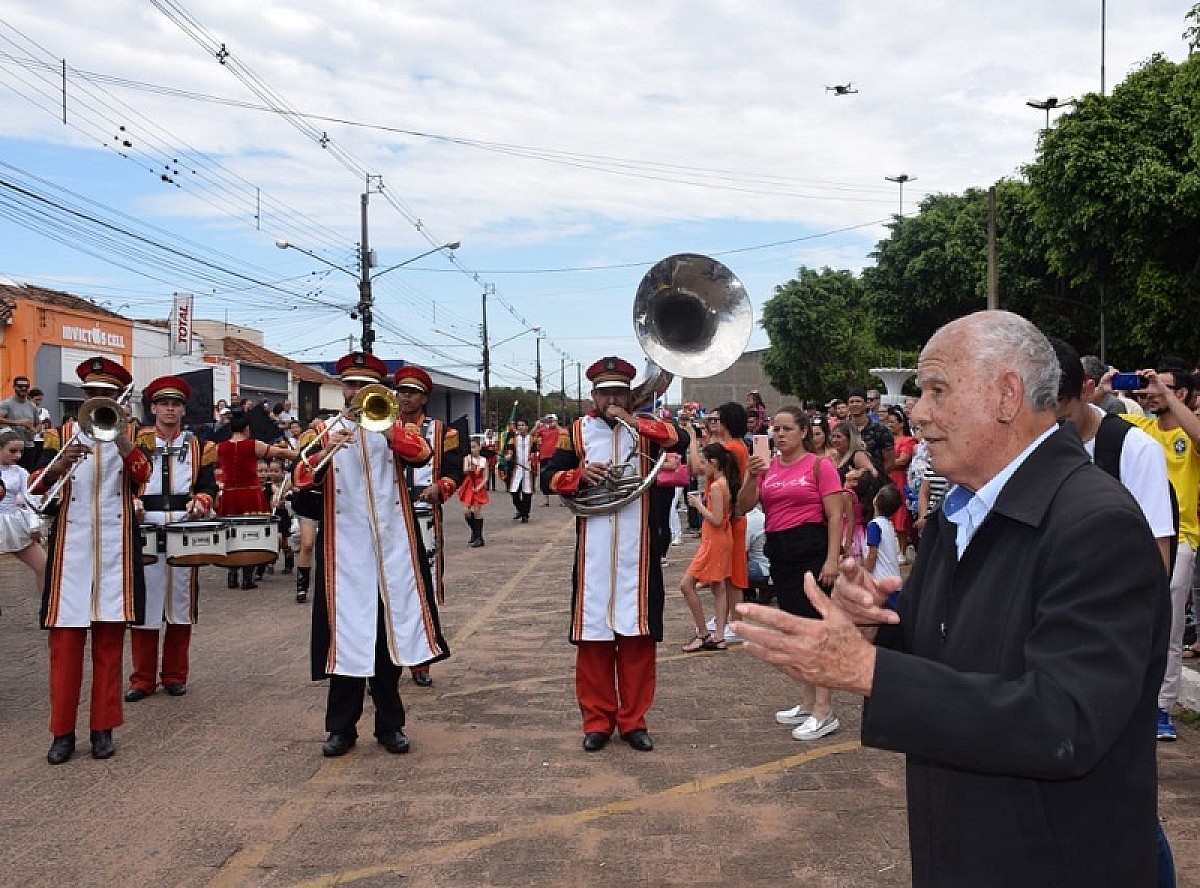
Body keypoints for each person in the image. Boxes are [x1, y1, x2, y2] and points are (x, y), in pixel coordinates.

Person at [733, 311, 1170, 886]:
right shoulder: (960, 512)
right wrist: (876, 627)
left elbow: (1065, 722)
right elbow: (958, 651)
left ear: (1007, 396)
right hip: (967, 849)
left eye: (938, 390)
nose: (918, 411)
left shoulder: (1096, 524)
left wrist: (871, 671)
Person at [293, 352, 449, 758]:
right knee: (345, 638)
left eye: (364, 386)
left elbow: (423, 455)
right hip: (344, 551)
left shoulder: (396, 429)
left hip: (390, 548)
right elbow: (300, 479)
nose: (355, 392)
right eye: (350, 385)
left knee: (386, 639)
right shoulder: (324, 430)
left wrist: (382, 431)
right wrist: (323, 452)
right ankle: (340, 729)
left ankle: (390, 724)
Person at [541, 356, 687, 753]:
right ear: (592, 395)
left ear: (629, 393)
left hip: (638, 548)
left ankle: (633, 720)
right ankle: (597, 721)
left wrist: (633, 419)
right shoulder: (576, 431)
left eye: (618, 392)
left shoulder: (646, 429)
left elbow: (682, 441)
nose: (610, 399)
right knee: (594, 637)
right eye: (604, 392)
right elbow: (548, 476)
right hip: (594, 549)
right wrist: (577, 476)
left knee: (638, 635)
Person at [29, 357, 151, 764]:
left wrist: (121, 437)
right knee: (64, 648)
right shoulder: (58, 435)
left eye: (106, 396)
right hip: (72, 554)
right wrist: (58, 465)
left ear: (118, 399)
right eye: (92, 395)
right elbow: (34, 489)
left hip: (114, 553)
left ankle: (103, 728)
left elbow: (143, 473)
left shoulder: (133, 435)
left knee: (109, 645)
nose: (98, 401)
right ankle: (61, 733)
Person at [736, 405, 843, 742]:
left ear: (803, 433)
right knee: (797, 631)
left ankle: (825, 710)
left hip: (810, 550)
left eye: (787, 429)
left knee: (816, 631)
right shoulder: (769, 467)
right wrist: (752, 476)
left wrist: (832, 559)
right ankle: (809, 702)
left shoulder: (819, 465)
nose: (779, 435)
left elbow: (837, 516)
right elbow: (743, 505)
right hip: (780, 552)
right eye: (776, 430)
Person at [1108, 360, 1200, 743]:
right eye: (1146, 386)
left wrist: (1168, 400)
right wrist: (1106, 388)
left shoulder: (1188, 431)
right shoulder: (1141, 428)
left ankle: (1161, 705)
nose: (1149, 391)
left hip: (1181, 539)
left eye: (1160, 387)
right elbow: (1093, 419)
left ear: (1180, 393)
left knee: (1170, 619)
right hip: (1136, 536)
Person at [125, 375, 218, 703]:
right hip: (145, 528)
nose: (169, 409)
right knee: (145, 604)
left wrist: (202, 502)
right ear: (152, 408)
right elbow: (122, 483)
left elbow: (209, 487)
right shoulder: (134, 443)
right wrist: (131, 501)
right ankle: (142, 679)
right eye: (164, 403)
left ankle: (176, 675)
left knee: (181, 603)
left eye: (176, 404)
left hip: (183, 530)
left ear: (183, 410)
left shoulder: (200, 446)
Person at [393, 364, 462, 689]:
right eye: (401, 391)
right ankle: (387, 660)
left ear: (424, 398)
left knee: (423, 590)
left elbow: (454, 471)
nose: (404, 397)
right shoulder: (382, 424)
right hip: (388, 516)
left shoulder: (444, 432)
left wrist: (442, 487)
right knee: (389, 588)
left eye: (412, 393)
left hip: (424, 515)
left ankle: (421, 661)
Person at [216, 408, 296, 590]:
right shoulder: (253, 445)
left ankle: (232, 574)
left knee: (231, 534)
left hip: (229, 495)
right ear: (246, 429)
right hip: (250, 494)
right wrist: (300, 454)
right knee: (251, 535)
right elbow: (281, 453)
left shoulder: (220, 447)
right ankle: (247, 577)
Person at [680, 443, 738, 652]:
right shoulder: (724, 483)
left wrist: (698, 505)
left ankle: (705, 633)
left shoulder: (716, 486)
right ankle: (719, 634)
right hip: (719, 539)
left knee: (687, 584)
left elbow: (717, 519)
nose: (702, 467)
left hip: (715, 540)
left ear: (714, 462)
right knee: (718, 586)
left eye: (705, 462)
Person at [0, 430, 46, 598]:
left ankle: (46, 610)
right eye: (12, 451)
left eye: (20, 451)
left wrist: (34, 525)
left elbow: (31, 499)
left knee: (43, 565)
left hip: (15, 523)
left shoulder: (20, 472)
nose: (18, 455)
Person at [882, 406, 915, 561]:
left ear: (902, 424)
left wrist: (886, 463)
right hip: (887, 478)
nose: (890, 425)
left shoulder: (908, 440)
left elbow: (903, 460)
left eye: (893, 422)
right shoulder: (887, 439)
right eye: (888, 422)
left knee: (900, 514)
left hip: (899, 478)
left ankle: (902, 550)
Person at [0, 375, 42, 471]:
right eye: (20, 386)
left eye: (26, 386)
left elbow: (39, 424)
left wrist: (34, 431)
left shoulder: (32, 406)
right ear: (14, 387)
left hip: (29, 446)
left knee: (27, 474)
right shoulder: (6, 404)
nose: (23, 388)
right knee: (10, 472)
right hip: (11, 447)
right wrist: (18, 423)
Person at [862, 484, 902, 581]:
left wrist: (865, 575)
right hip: (894, 576)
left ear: (876, 501)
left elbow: (872, 554)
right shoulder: (889, 525)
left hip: (881, 580)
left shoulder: (874, 525)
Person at [459, 437, 490, 547]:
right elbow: (464, 470)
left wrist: (480, 487)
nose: (472, 450)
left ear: (479, 447)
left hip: (479, 486)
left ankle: (479, 538)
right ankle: (475, 531)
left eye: (474, 447)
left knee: (477, 511)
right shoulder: (467, 458)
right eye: (471, 447)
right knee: (466, 512)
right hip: (469, 485)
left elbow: (486, 477)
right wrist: (469, 468)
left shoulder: (484, 460)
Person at [505, 419, 535, 522]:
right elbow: (509, 450)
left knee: (527, 491)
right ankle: (521, 509)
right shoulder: (513, 439)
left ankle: (525, 514)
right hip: (517, 468)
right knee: (513, 491)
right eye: (519, 425)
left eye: (523, 425)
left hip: (528, 468)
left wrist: (533, 460)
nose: (520, 427)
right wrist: (508, 456)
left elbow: (536, 452)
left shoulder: (532, 439)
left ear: (527, 427)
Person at [536, 415, 563, 506]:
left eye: (552, 420)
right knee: (543, 478)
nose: (550, 422)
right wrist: (537, 425)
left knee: (558, 477)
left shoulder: (558, 430)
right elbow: (532, 434)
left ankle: (561, 500)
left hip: (555, 456)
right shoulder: (543, 430)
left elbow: (565, 433)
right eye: (549, 420)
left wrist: (556, 425)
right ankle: (546, 500)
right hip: (544, 456)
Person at [29, 387, 52, 469]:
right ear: (30, 399)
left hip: (42, 440)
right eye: (36, 400)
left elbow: (48, 426)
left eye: (40, 400)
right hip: (31, 440)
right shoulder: (27, 410)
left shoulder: (45, 411)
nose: (38, 402)